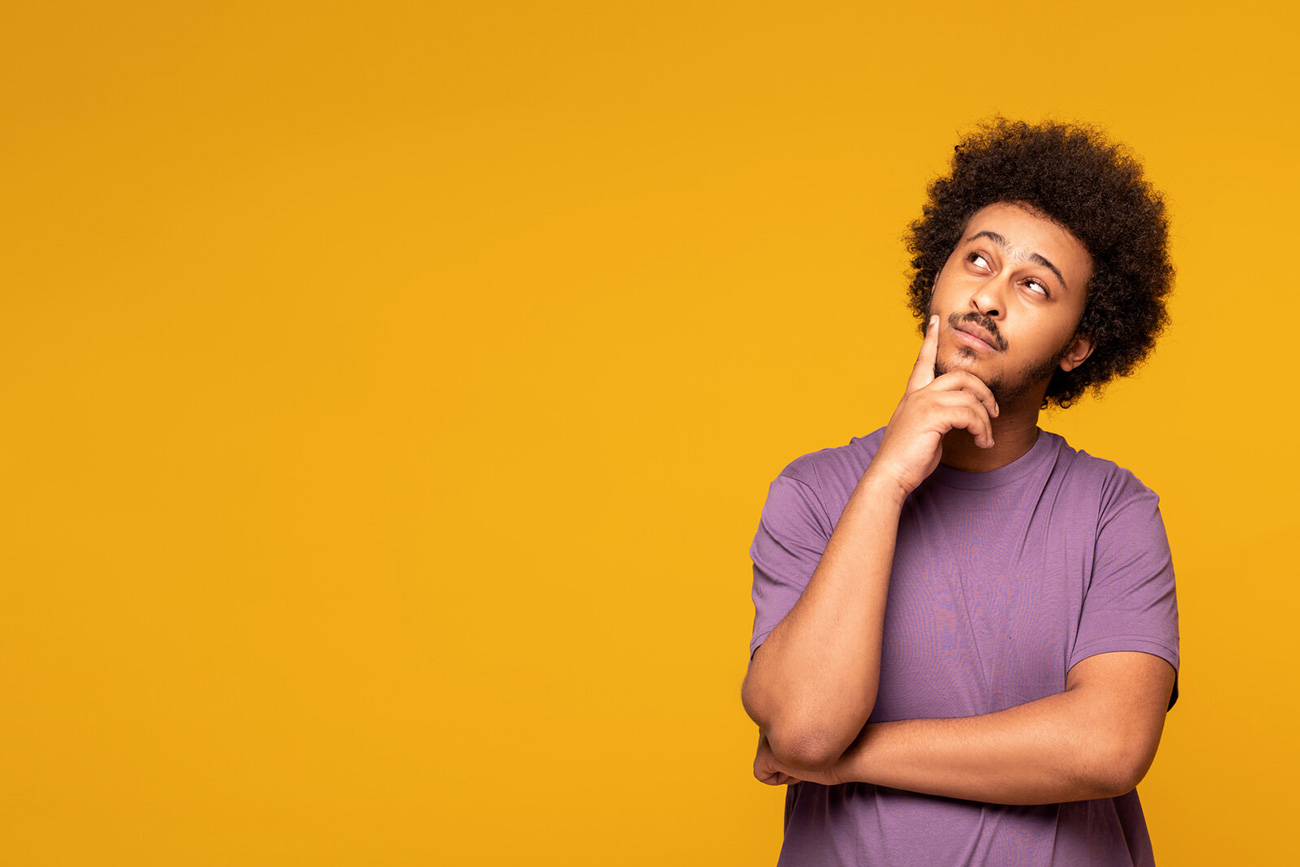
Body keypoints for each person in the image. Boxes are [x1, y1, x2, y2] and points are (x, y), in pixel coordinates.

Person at [741, 118, 1180, 866]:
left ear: (1079, 344)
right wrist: (885, 481)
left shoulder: (1116, 511)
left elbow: (1107, 745)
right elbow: (806, 729)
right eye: (977, 259)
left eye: (1034, 284)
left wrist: (852, 758)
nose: (990, 297)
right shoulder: (814, 493)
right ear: (936, 275)